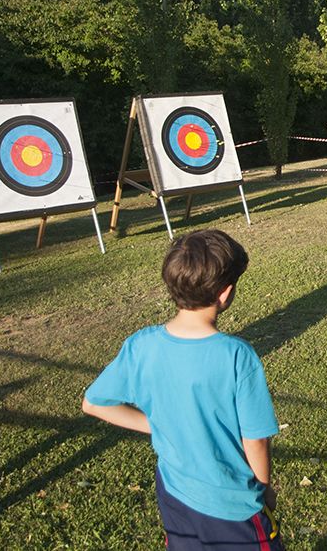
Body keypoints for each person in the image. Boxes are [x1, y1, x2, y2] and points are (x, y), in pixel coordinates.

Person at [82, 230, 283, 551]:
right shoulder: (237, 355)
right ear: (225, 293)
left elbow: (94, 404)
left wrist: (155, 424)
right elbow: (255, 438)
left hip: (174, 494)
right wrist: (264, 488)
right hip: (233, 505)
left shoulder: (141, 345)